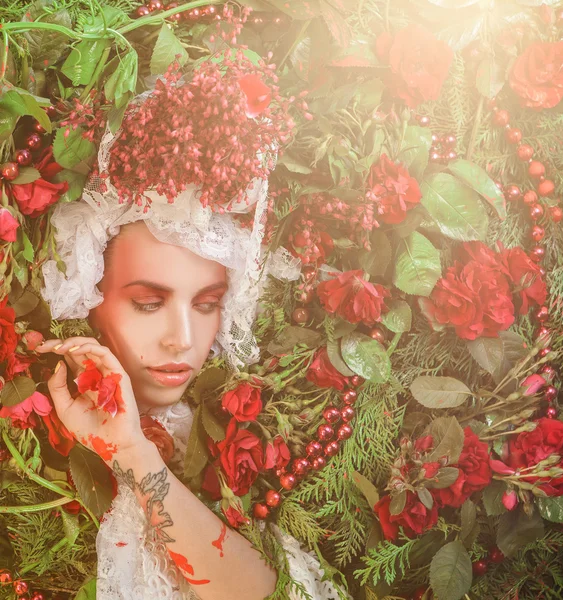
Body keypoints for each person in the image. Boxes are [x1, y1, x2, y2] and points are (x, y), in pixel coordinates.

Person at [35, 72, 350, 600]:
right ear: (90, 294)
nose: (183, 339)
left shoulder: (259, 447)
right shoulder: (32, 466)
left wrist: (135, 452)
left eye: (207, 305)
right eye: (149, 303)